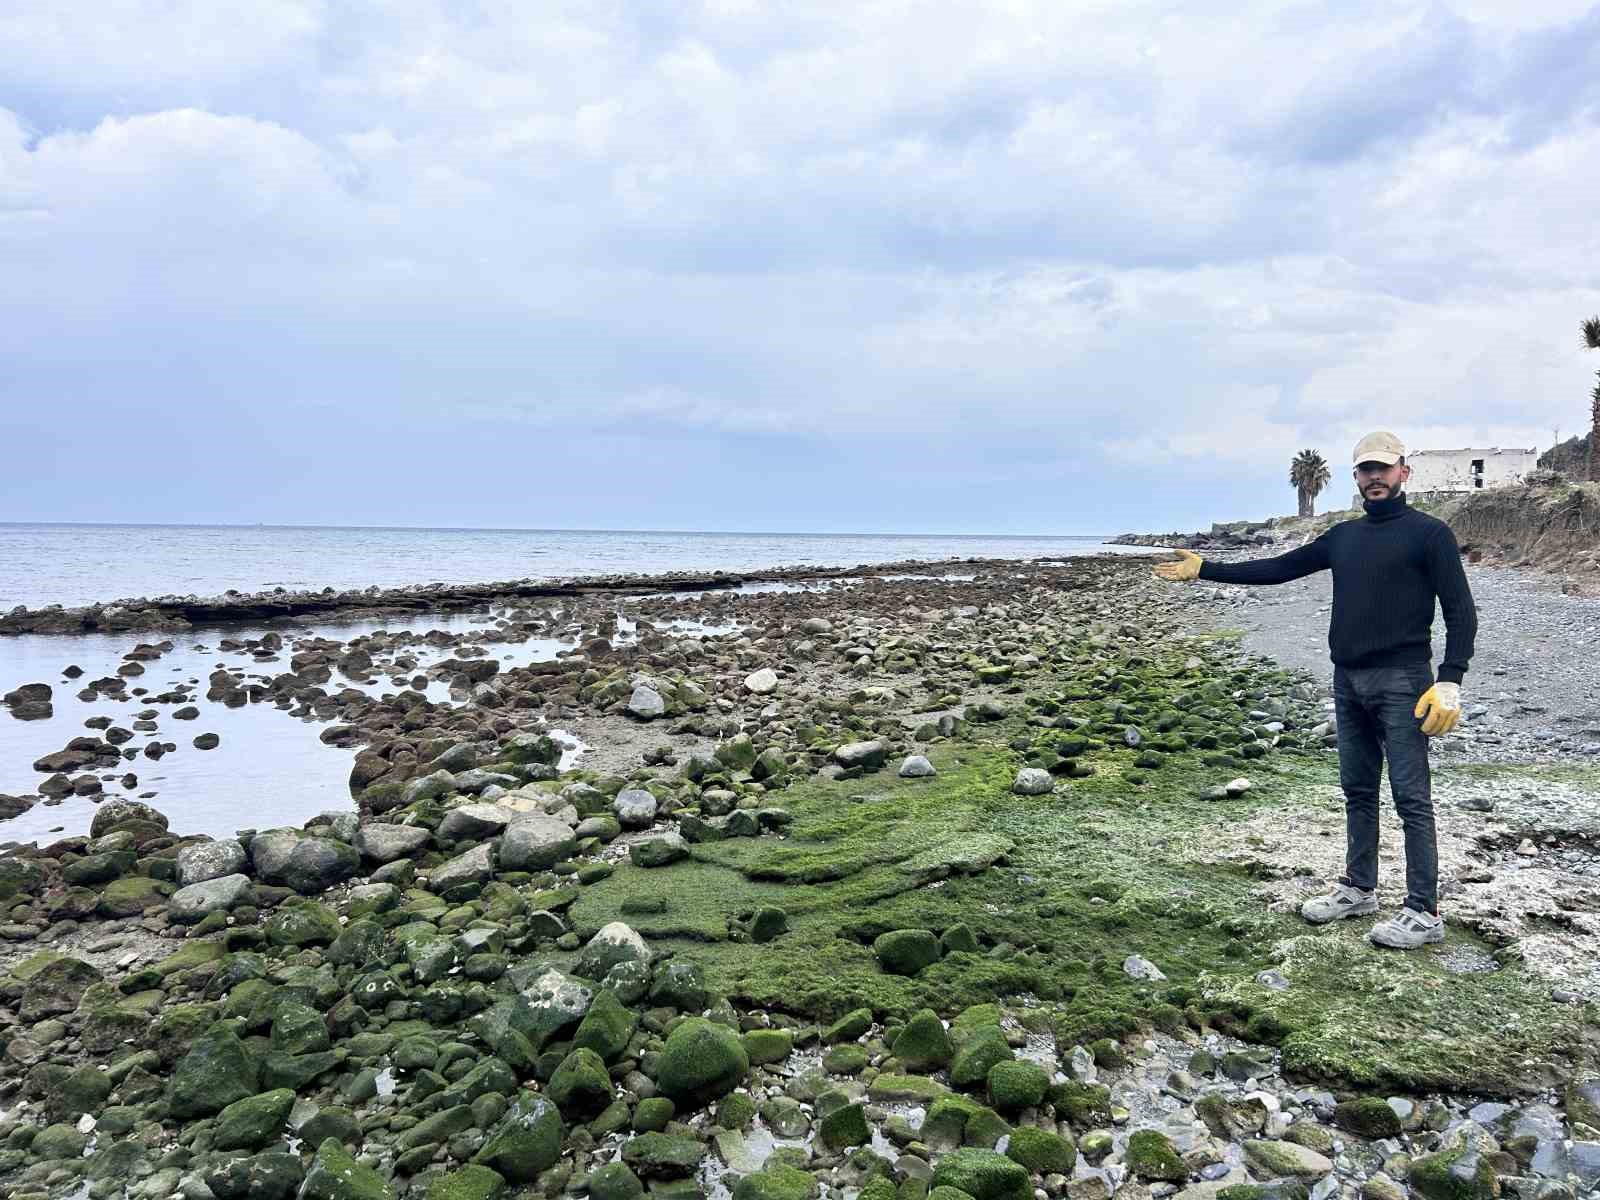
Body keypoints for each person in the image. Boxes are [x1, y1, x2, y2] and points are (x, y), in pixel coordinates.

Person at [1152, 431, 1478, 949]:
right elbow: (1279, 569)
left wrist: (1450, 681)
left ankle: (1424, 910)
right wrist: (1207, 569)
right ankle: (1359, 888)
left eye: (1383, 469)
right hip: (1347, 680)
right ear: (1356, 478)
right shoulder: (1343, 538)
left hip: (1405, 682)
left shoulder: (1429, 534)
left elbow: (1460, 611)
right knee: (1357, 789)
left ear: (1403, 473)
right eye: (1365, 470)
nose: (1374, 477)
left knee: (1411, 796)